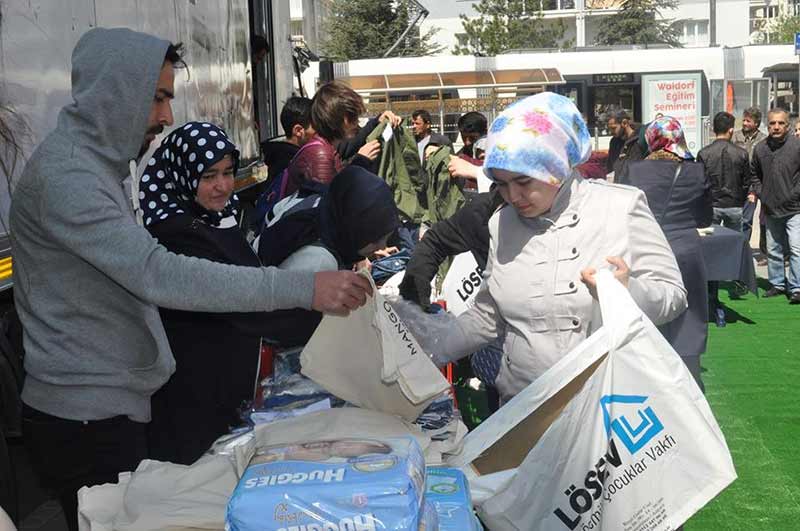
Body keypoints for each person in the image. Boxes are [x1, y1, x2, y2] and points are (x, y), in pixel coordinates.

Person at [9, 28, 370, 530]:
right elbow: (158, 273)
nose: (166, 117)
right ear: (115, 93)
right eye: (156, 98)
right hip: (86, 421)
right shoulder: (69, 179)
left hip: (110, 408)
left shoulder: (96, 169)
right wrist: (305, 288)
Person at [431, 92, 687, 401]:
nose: (512, 196)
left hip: (605, 405)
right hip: (523, 406)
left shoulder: (621, 206)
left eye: (524, 181)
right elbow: (488, 315)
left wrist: (627, 292)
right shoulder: (502, 223)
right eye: (500, 183)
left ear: (555, 166)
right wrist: (429, 347)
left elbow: (674, 295)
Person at [142, 121, 292, 464]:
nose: (222, 186)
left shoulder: (218, 217)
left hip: (225, 389)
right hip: (193, 398)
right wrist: (314, 304)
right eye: (209, 176)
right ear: (183, 174)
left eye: (227, 172)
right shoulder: (175, 233)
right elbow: (237, 300)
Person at [626, 116, 713, 389]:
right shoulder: (697, 171)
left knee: (645, 305)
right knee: (690, 310)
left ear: (651, 139)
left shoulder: (633, 170)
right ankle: (687, 372)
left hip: (644, 247)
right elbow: (704, 218)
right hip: (685, 247)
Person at [258, 165, 400, 273]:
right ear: (354, 230)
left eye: (385, 238)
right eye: (375, 240)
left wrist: (361, 254)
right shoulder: (320, 263)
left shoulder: (320, 204)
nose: (382, 247)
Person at [697, 112, 751, 325]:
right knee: (732, 247)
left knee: (710, 250)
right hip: (734, 205)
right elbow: (746, 181)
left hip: (711, 206)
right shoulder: (741, 152)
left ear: (713, 130)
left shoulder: (704, 153)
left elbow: (699, 181)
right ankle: (736, 280)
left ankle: (711, 288)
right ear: (731, 129)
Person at [284, 81, 383, 196]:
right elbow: (331, 203)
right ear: (340, 118)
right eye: (353, 116)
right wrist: (360, 162)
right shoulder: (320, 155)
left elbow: (350, 146)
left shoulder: (325, 146)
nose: (356, 122)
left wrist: (377, 121)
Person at [750, 108, 800, 304]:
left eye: (780, 123)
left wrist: (795, 193)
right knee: (774, 249)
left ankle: (796, 287)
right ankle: (778, 284)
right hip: (770, 208)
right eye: (772, 123)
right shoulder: (761, 148)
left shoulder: (797, 146)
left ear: (787, 125)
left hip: (795, 208)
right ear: (767, 125)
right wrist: (762, 193)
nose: (776, 127)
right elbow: (754, 173)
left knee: (796, 249)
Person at [732, 106, 767, 255]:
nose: (745, 123)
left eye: (748, 121)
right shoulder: (735, 136)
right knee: (741, 218)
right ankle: (739, 250)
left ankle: (763, 251)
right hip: (739, 183)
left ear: (756, 123)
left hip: (758, 183)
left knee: (760, 219)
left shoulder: (763, 139)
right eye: (744, 120)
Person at [262, 96, 314, 183]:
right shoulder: (293, 167)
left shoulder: (277, 157)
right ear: (298, 131)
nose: (322, 134)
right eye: (317, 128)